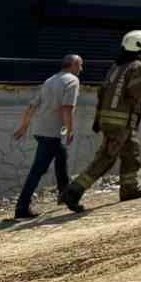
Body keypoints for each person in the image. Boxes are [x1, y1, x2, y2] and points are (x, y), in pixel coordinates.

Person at [61, 30, 141, 212]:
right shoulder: (137, 67)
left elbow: (103, 92)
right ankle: (73, 191)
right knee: (105, 159)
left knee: (132, 153)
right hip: (121, 123)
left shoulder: (116, 67)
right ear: (139, 47)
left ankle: (129, 189)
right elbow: (138, 92)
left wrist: (98, 119)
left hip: (112, 121)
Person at [11, 54, 83, 220]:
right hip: (53, 133)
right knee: (39, 170)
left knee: (61, 160)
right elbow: (67, 108)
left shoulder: (50, 80)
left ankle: (65, 195)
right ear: (72, 65)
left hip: (41, 130)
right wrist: (70, 130)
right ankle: (22, 207)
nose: (81, 69)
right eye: (80, 65)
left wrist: (24, 126)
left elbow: (32, 105)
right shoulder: (72, 81)